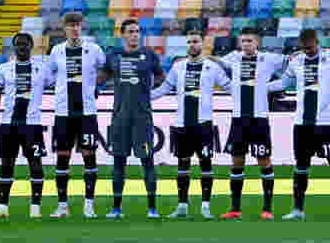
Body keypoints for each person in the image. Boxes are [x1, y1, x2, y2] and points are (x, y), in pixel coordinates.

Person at [271, 30, 330, 220]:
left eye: (311, 47)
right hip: (302, 124)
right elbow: (283, 82)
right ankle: (298, 210)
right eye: (304, 48)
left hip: (325, 123)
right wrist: (259, 87)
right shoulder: (296, 61)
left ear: (318, 43)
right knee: (301, 165)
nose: (307, 51)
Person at [151, 31, 230, 219]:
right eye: (189, 42)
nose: (192, 45)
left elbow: (229, 87)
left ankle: (205, 207)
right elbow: (163, 89)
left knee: (205, 164)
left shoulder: (212, 67)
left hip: (203, 124)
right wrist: (143, 96)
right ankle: (182, 206)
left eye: (195, 41)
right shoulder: (178, 67)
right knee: (183, 164)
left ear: (202, 44)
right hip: (182, 124)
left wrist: (252, 92)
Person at [213, 28, 287, 220]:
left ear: (257, 43)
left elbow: (291, 62)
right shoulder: (233, 57)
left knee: (264, 161)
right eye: (243, 41)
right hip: (238, 118)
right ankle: (235, 209)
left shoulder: (269, 58)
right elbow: (216, 63)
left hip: (259, 119)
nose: (246, 44)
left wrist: (273, 86)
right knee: (237, 162)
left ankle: (267, 209)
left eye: (249, 41)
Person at [98, 19, 165, 219]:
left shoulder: (150, 56)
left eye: (137, 31)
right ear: (123, 35)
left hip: (142, 118)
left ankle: (152, 208)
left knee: (147, 161)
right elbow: (100, 78)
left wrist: (149, 93)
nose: (135, 35)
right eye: (130, 31)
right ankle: (116, 208)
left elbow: (162, 78)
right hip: (119, 117)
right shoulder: (113, 56)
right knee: (119, 162)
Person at [0, 33, 54, 219]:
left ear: (31, 46)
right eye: (18, 45)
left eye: (25, 44)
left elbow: (58, 86)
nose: (21, 48)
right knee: (7, 164)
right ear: (13, 47)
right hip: (8, 125)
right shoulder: (4, 69)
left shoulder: (42, 69)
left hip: (32, 125)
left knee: (36, 164)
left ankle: (35, 207)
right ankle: (2, 206)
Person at [45, 11, 105, 218]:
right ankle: (62, 206)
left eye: (77, 24)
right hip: (63, 113)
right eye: (70, 25)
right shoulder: (56, 51)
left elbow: (105, 69)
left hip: (87, 113)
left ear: (82, 26)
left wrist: (95, 86)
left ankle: (89, 205)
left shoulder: (94, 50)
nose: (74, 28)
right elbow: (50, 75)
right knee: (62, 158)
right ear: (64, 28)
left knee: (89, 157)